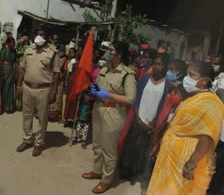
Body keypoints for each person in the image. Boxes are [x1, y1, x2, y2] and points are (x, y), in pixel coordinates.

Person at [147, 61, 224, 195]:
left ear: (204, 81)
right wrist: (159, 143)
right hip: (170, 156)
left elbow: (206, 137)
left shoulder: (212, 103)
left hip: (186, 159)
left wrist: (191, 164)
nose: (186, 78)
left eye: (191, 75)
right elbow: (175, 124)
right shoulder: (190, 98)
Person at [82, 42, 137, 194]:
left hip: (113, 113)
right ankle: (97, 171)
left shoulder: (127, 74)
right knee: (97, 144)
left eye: (110, 50)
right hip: (99, 108)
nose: (107, 52)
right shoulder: (104, 69)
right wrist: (92, 90)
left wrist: (107, 95)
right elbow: (98, 87)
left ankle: (106, 180)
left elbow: (130, 99)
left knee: (109, 149)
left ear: (119, 54)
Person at [119, 53, 170, 191]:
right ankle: (126, 171)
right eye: (155, 64)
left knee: (145, 148)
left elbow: (164, 106)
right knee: (131, 145)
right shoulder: (145, 78)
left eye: (160, 64)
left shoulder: (168, 85)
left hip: (152, 123)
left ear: (166, 66)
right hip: (138, 118)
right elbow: (137, 98)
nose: (156, 67)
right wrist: (138, 118)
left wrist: (154, 122)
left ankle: (140, 174)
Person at [16, 27, 60, 157]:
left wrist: (54, 91)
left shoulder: (53, 53)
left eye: (42, 34)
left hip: (43, 89)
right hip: (28, 87)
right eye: (37, 34)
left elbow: (57, 74)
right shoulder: (28, 50)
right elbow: (22, 69)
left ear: (47, 37)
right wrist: (19, 85)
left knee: (42, 117)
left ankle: (39, 143)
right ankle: (27, 139)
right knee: (26, 116)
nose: (39, 37)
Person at [0, 37, 17, 113]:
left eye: (13, 42)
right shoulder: (4, 50)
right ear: (7, 43)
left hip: (12, 70)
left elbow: (16, 61)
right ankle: (3, 105)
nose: (12, 44)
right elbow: (1, 62)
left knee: (10, 87)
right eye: (10, 42)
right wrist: (2, 74)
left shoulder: (14, 51)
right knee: (5, 87)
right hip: (5, 69)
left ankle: (9, 106)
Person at [15, 39, 29, 111]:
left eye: (27, 44)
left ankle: (25, 105)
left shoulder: (30, 53)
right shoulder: (20, 52)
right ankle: (18, 105)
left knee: (25, 88)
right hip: (20, 70)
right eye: (25, 44)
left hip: (28, 72)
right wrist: (17, 69)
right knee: (19, 86)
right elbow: (17, 62)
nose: (26, 46)